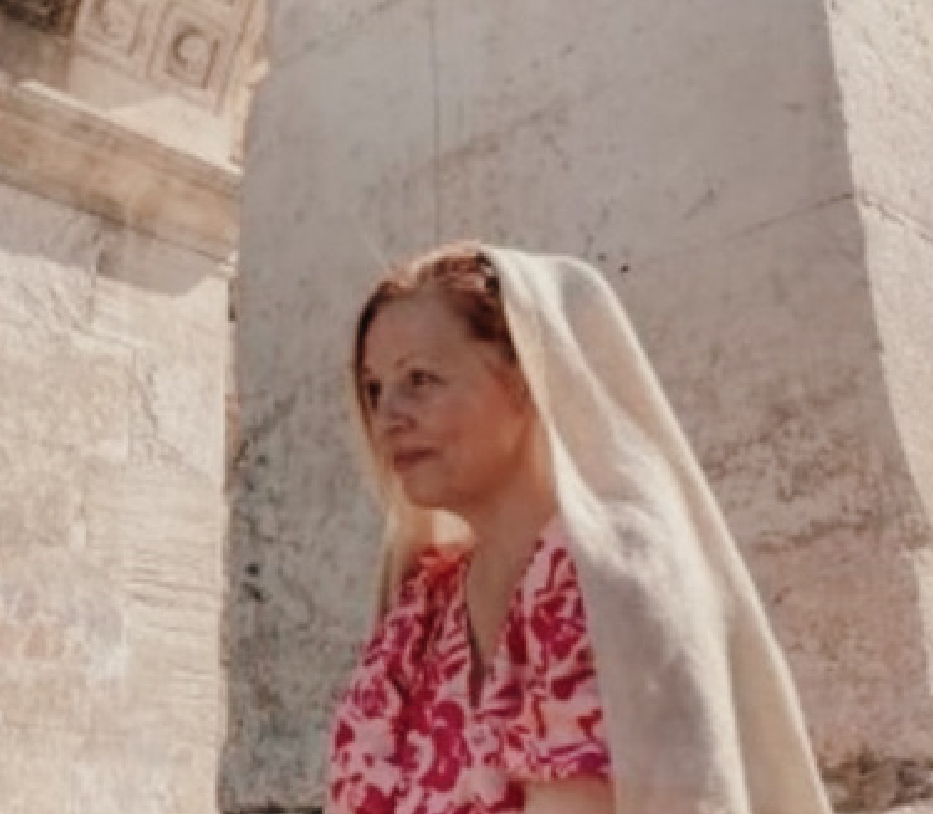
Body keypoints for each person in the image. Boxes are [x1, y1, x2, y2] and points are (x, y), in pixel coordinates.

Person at [325, 243, 831, 814]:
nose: (387, 417)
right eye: (374, 388)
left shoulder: (610, 578)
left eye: (419, 379)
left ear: (527, 377)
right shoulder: (422, 611)